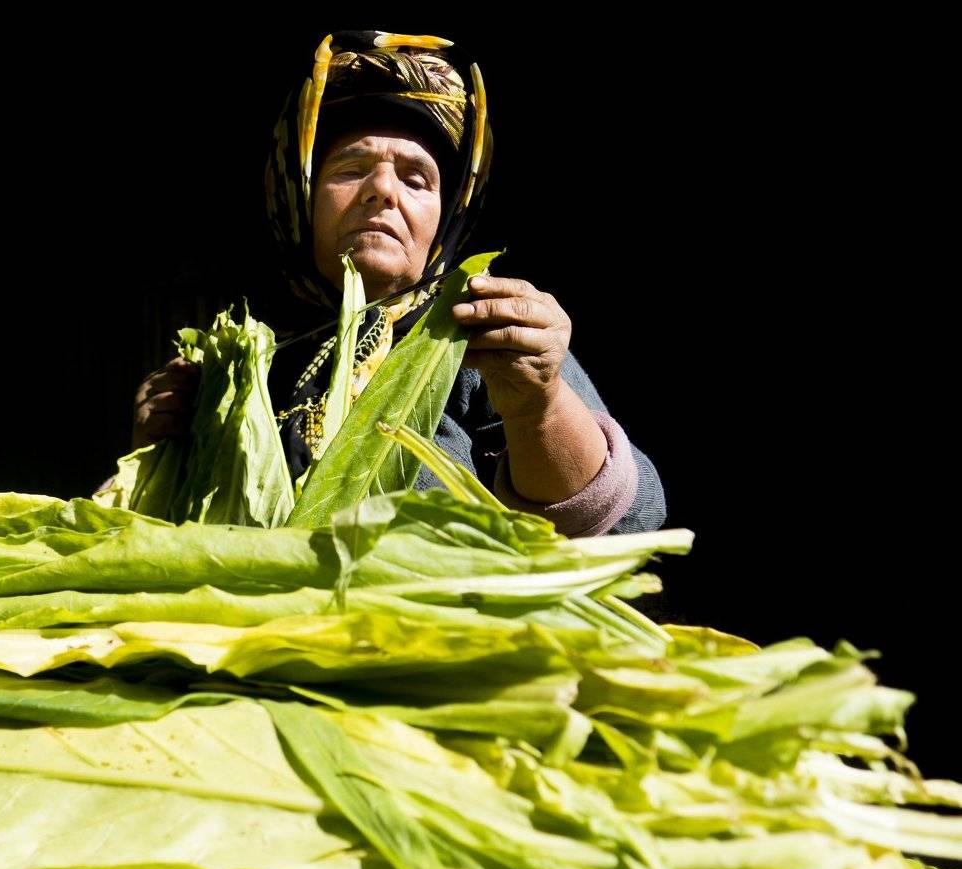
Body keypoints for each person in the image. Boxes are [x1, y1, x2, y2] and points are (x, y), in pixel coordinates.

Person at [131, 30, 665, 536]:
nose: (383, 190)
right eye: (350, 170)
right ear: (300, 199)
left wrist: (538, 405)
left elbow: (628, 521)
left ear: (445, 217)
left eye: (416, 179)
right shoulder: (243, 361)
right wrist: (160, 450)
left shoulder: (480, 329)